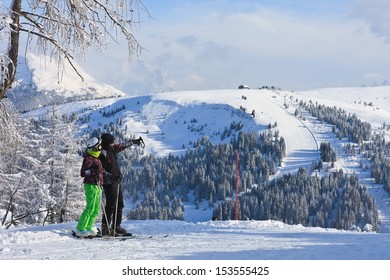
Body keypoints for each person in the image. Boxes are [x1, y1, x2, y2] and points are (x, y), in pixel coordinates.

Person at [99, 133, 143, 236]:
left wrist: (133, 142)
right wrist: (111, 177)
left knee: (120, 204)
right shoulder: (102, 153)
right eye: (111, 142)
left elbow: (122, 145)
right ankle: (105, 228)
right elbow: (101, 170)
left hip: (116, 180)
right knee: (111, 205)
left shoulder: (112, 148)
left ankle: (116, 226)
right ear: (107, 142)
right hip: (109, 182)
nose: (113, 143)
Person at [75, 137, 104, 237]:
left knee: (96, 209)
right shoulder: (89, 158)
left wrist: (111, 177)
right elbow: (83, 173)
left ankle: (88, 227)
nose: (101, 147)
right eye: (99, 146)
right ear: (95, 148)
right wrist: (92, 171)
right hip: (90, 185)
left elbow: (100, 171)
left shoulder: (96, 158)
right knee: (90, 207)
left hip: (97, 185)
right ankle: (80, 229)